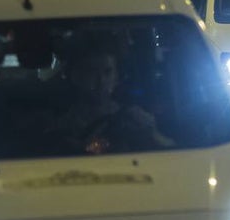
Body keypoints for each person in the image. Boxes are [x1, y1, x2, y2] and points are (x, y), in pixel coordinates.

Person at [40, 36, 170, 155]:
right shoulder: (61, 124)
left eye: (107, 72)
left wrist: (151, 133)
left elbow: (171, 152)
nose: (101, 80)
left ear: (117, 77)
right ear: (75, 76)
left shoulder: (132, 117)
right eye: (92, 71)